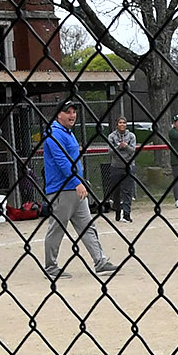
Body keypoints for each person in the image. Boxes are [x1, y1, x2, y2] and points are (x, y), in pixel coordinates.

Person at [41, 98, 119, 282]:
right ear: (59, 114)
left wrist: (79, 182)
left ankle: (100, 261)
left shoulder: (68, 132)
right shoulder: (54, 133)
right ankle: (51, 267)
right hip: (62, 190)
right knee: (57, 229)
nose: (72, 115)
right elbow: (62, 162)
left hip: (76, 189)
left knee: (87, 226)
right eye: (68, 112)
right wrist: (77, 182)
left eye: (74, 112)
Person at [103, 116, 140, 221]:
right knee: (116, 191)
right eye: (120, 123)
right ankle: (117, 210)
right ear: (117, 124)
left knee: (127, 191)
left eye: (124, 123)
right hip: (116, 167)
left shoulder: (131, 136)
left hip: (128, 166)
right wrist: (119, 147)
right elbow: (110, 151)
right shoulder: (111, 136)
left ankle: (127, 214)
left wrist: (126, 147)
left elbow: (132, 150)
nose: (122, 124)